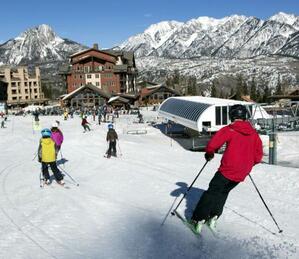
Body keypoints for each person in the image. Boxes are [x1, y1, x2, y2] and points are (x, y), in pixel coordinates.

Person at [189, 104, 263, 234]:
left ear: (231, 116)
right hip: (242, 172)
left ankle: (198, 219)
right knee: (223, 192)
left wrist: (210, 152)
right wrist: (246, 164)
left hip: (227, 169)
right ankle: (214, 216)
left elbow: (214, 143)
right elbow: (258, 156)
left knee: (212, 192)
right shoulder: (254, 133)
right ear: (244, 116)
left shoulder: (230, 129)